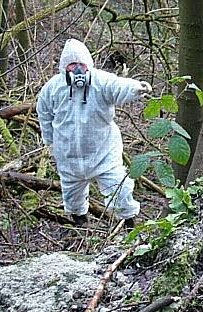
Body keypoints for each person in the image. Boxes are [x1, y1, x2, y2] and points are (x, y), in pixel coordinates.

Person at [37, 38, 151, 228]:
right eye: (72, 65)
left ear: (88, 65)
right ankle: (81, 226)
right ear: (64, 67)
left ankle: (130, 226)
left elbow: (118, 86)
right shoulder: (52, 89)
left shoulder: (100, 81)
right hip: (69, 156)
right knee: (73, 199)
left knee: (120, 191)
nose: (77, 70)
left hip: (103, 153)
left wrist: (136, 88)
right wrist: (50, 141)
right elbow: (44, 115)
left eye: (81, 64)